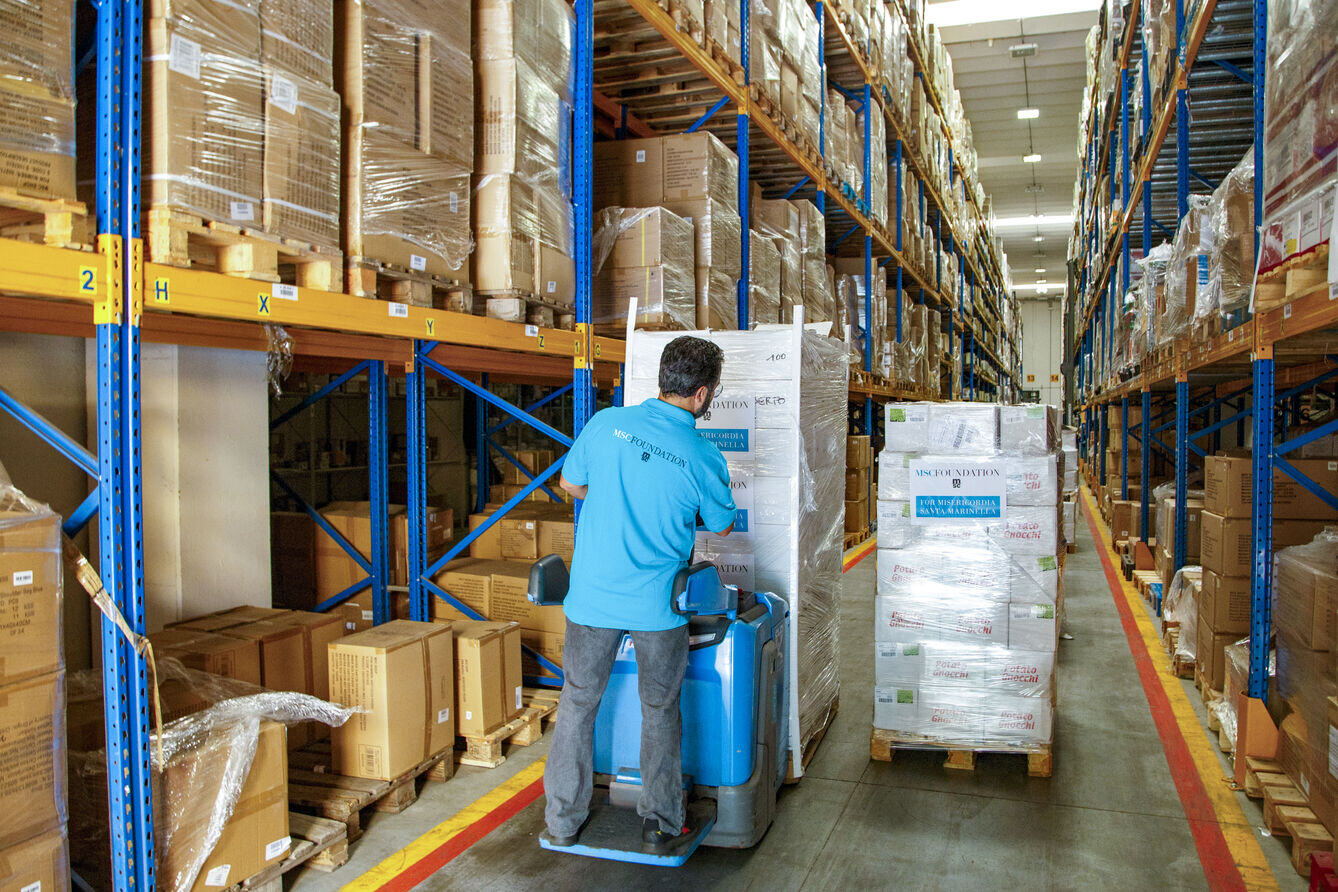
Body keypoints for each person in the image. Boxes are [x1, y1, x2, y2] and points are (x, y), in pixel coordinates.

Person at [543, 335, 736, 852]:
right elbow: (720, 525)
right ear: (700, 395)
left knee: (578, 705)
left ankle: (561, 821)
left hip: (591, 600)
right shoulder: (702, 453)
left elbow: (573, 484)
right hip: (656, 607)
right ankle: (660, 824)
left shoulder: (606, 424)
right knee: (660, 710)